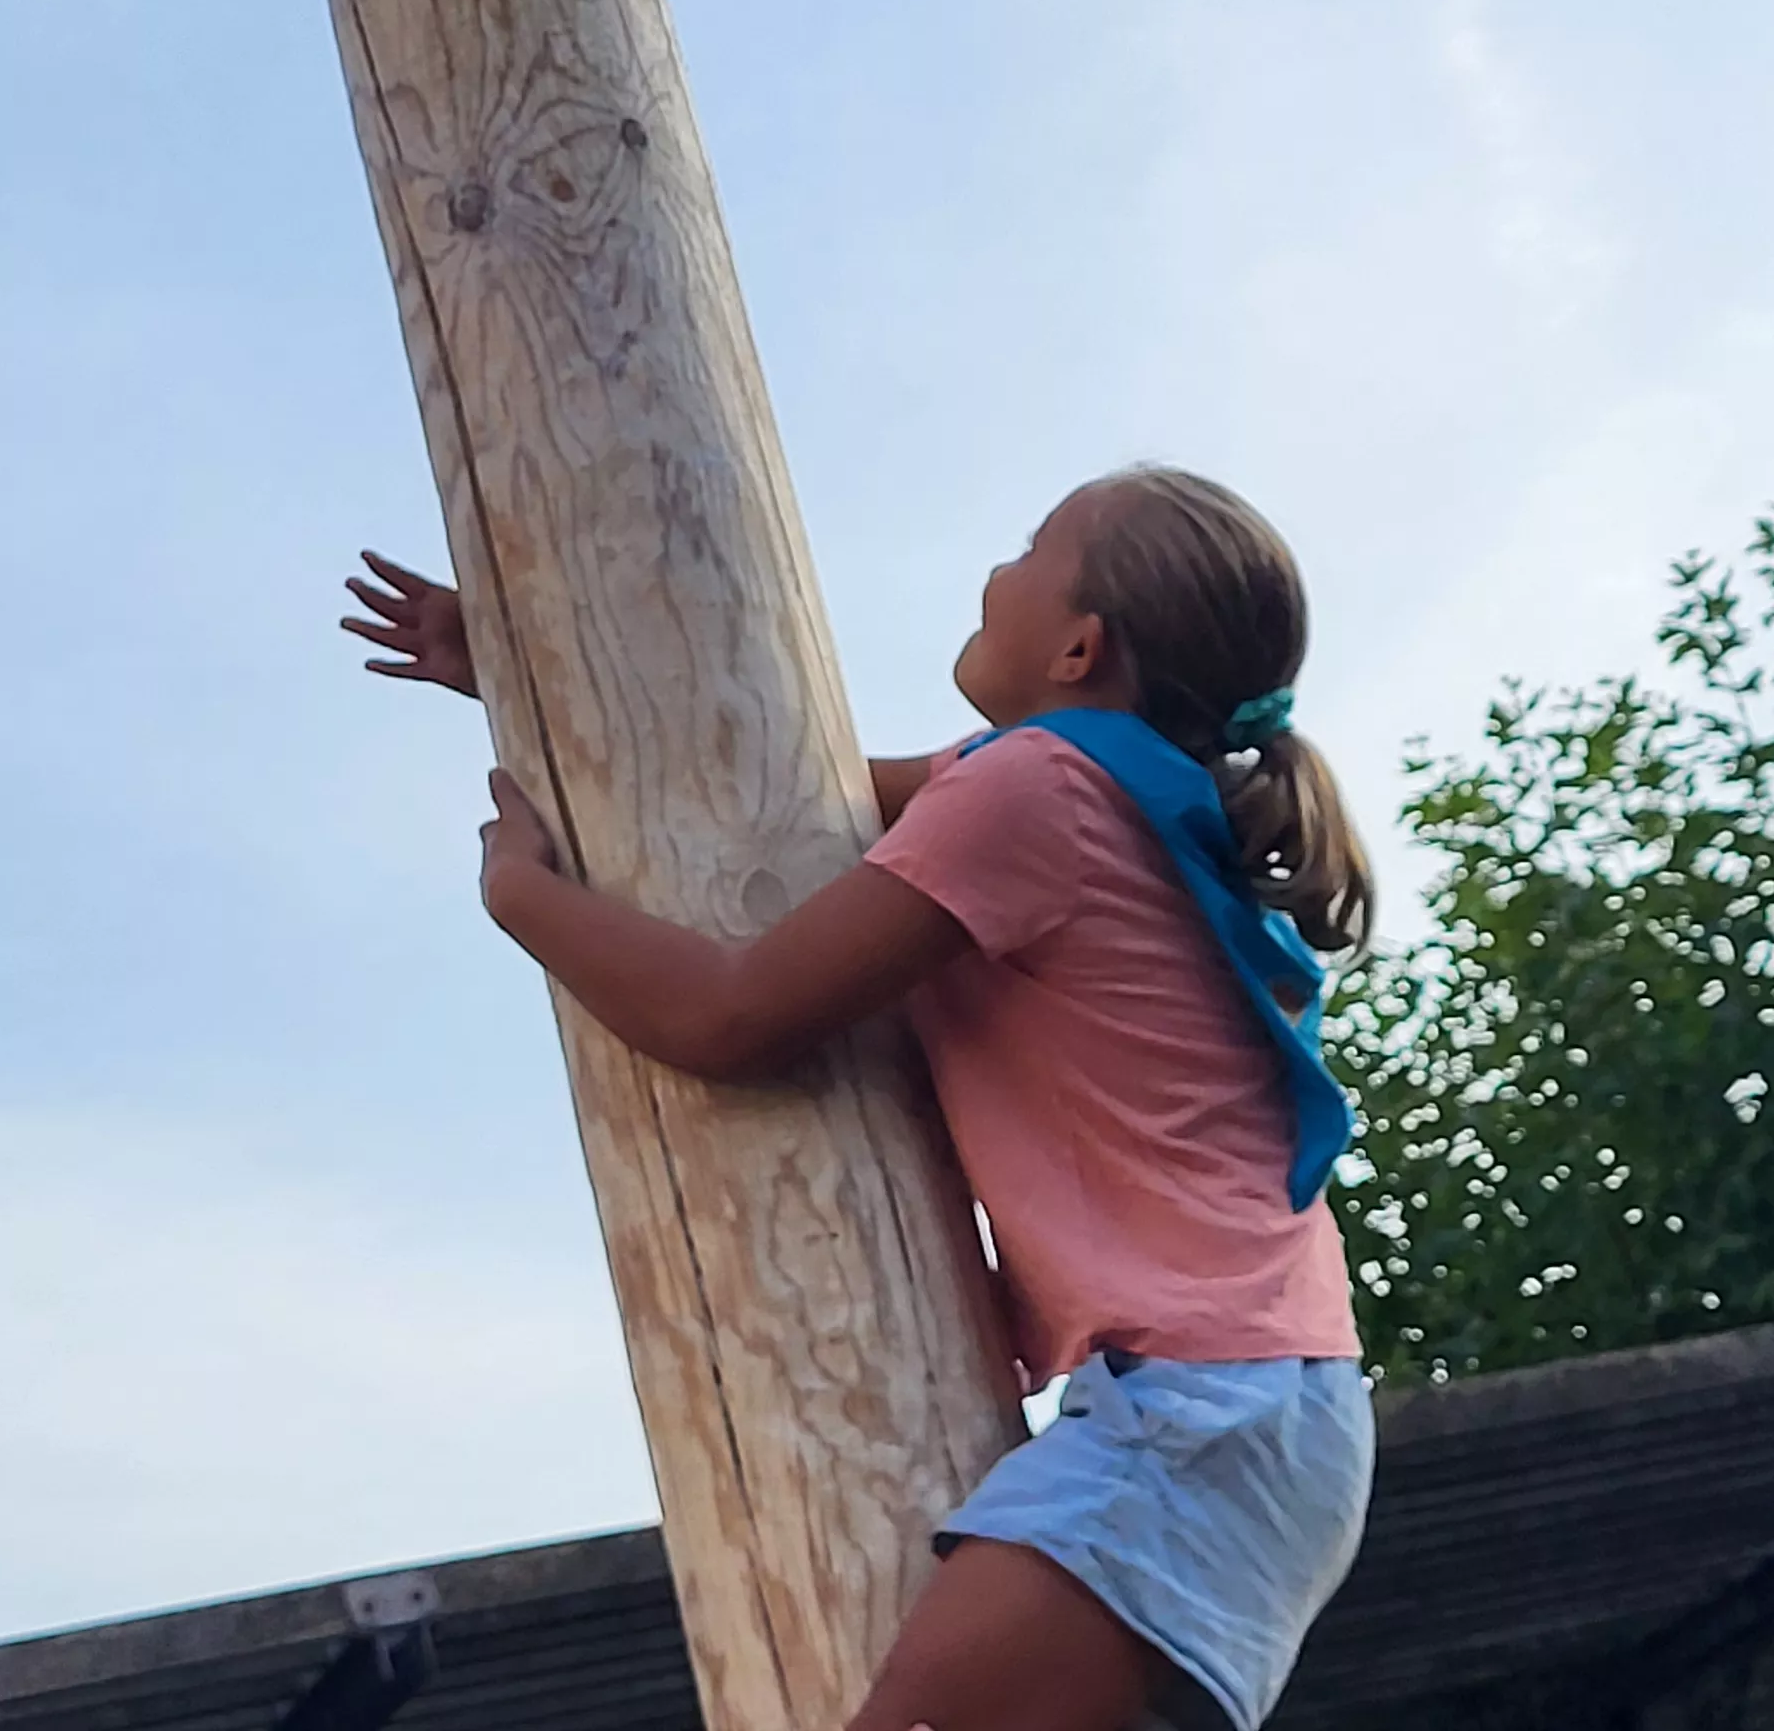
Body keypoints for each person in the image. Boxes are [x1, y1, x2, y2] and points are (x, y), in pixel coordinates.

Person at [343, 465, 1377, 1731]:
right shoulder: (1104, 788)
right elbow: (773, 779)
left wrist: (522, 897)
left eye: (1029, 549)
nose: (994, 571)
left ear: (1079, 646)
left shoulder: (1036, 792)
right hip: (1256, 1405)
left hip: (1201, 1411)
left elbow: (730, 1016)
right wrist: (512, 675)